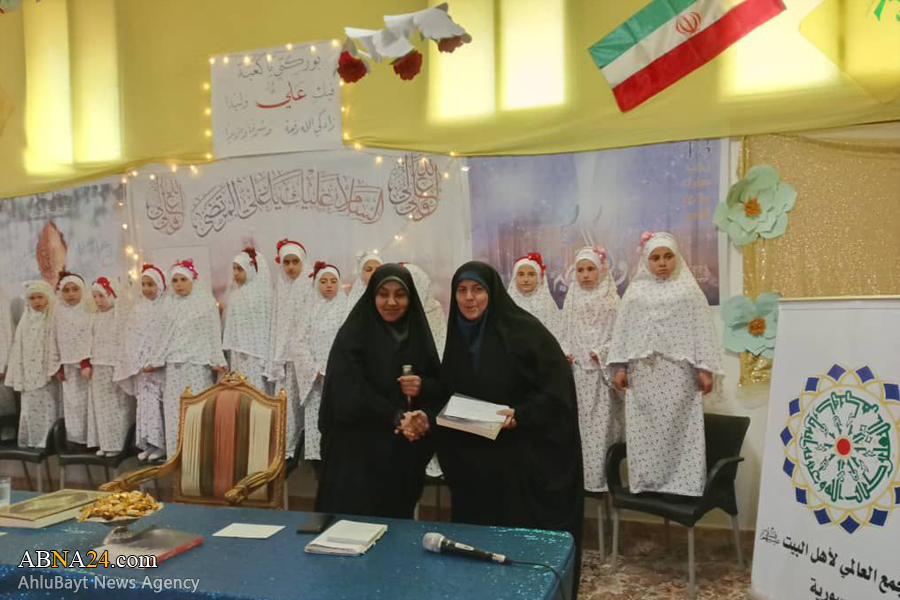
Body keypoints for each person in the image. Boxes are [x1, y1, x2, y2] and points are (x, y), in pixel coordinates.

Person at [437, 261, 583, 544]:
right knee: (478, 546)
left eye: (478, 289)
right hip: (475, 464)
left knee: (516, 546)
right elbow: (449, 391)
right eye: (462, 290)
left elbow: (559, 390)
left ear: (492, 292)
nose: (469, 298)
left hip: (522, 461)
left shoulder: (524, 331)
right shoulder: (458, 336)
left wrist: (522, 415)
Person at [316, 264, 442, 518]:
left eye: (400, 295)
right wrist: (396, 416)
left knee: (394, 532)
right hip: (355, 458)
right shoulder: (353, 334)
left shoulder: (417, 336)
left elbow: (439, 388)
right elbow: (346, 393)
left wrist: (422, 400)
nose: (391, 302)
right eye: (383, 294)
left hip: (400, 458)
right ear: (372, 296)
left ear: (411, 298)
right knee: (351, 530)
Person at [607, 232, 722, 497]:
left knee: (681, 426)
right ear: (646, 261)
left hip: (679, 374)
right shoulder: (635, 292)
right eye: (656, 257)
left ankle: (684, 485)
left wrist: (705, 368)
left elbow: (702, 329)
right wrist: (620, 367)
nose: (662, 262)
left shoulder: (689, 291)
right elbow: (624, 330)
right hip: (644, 374)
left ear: (677, 257)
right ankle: (647, 483)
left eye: (668, 256)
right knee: (644, 429)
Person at [146, 260, 227, 458]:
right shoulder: (168, 304)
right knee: (175, 410)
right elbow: (162, 336)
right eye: (175, 280)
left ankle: (201, 457)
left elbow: (213, 332)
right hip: (174, 366)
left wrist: (217, 359)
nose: (179, 284)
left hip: (197, 366)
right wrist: (155, 360)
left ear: (192, 280)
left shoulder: (205, 302)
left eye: (183, 279)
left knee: (198, 410)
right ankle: (176, 455)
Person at [561, 246, 622, 492]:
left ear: (601, 270)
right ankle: (580, 483)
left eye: (590, 269)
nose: (585, 275)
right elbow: (564, 333)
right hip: (578, 379)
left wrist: (602, 352)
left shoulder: (612, 300)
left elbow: (621, 337)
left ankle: (600, 482)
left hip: (602, 378)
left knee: (602, 432)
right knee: (578, 431)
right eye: (580, 270)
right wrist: (566, 351)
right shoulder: (571, 299)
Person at [294, 261, 347, 462]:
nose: (329, 285)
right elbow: (299, 342)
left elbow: (349, 343)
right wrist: (313, 369)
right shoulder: (308, 310)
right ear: (317, 284)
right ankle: (318, 461)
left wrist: (337, 369)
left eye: (333, 281)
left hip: (338, 376)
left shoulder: (346, 310)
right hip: (315, 378)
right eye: (323, 281)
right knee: (317, 418)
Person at [115, 264, 167, 461]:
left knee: (159, 406)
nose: (146, 289)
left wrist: (156, 360)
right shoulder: (138, 308)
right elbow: (131, 336)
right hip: (141, 368)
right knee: (145, 406)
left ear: (160, 285)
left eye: (151, 284)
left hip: (158, 369)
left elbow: (165, 337)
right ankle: (148, 443)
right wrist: (136, 361)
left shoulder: (166, 307)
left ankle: (162, 445)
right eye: (143, 284)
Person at [4, 280, 59, 448]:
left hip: (47, 373)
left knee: (48, 406)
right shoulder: (25, 321)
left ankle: (48, 442)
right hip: (28, 374)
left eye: (40, 297)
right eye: (32, 298)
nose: (37, 302)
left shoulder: (53, 319)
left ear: (47, 297)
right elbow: (18, 349)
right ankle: (31, 440)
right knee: (29, 408)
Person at [267, 239, 309, 458]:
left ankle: (308, 450)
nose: (291, 267)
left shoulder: (310, 285)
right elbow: (276, 323)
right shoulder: (280, 288)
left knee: (308, 402)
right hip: (285, 357)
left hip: (305, 357)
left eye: (295, 262)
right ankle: (288, 449)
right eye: (286, 262)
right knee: (288, 403)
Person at [86, 277, 134, 456]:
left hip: (115, 366)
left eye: (102, 296)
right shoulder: (95, 317)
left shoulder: (119, 316)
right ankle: (105, 443)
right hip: (98, 366)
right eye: (95, 296)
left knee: (117, 406)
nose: (98, 300)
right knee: (101, 407)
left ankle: (117, 444)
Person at [49, 271, 94, 445]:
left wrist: (86, 361)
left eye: (75, 289)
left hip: (87, 367)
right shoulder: (58, 312)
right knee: (72, 404)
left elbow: (91, 337)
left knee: (88, 403)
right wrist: (57, 365)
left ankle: (91, 440)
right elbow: (54, 338)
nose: (71, 294)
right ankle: (75, 441)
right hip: (68, 366)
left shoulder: (89, 310)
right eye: (66, 290)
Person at [223, 247, 271, 391]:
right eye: (234, 269)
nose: (236, 273)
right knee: (239, 390)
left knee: (256, 389)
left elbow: (267, 325)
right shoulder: (235, 294)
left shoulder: (263, 295)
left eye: (240, 269)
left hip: (257, 353)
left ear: (251, 269)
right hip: (238, 352)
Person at [506, 252, 562, 340]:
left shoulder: (547, 303)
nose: (525, 279)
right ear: (515, 277)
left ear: (539, 277)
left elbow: (556, 334)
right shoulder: (508, 304)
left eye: (531, 274)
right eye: (521, 274)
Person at [344, 251, 383, 318]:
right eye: (368, 270)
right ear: (361, 274)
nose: (374, 273)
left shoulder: (388, 294)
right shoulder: (354, 299)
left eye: (378, 269)